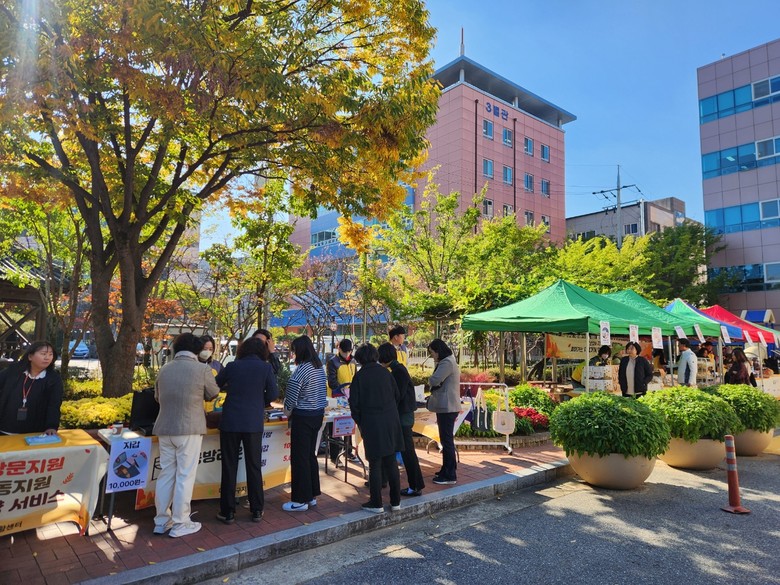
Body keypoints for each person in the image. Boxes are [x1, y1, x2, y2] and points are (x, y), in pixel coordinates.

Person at [153, 333, 220, 538]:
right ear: (197, 349)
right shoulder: (202, 369)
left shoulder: (164, 369)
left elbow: (157, 397)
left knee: (166, 474)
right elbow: (213, 392)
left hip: (165, 427)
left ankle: (161, 521)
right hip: (189, 428)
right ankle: (181, 522)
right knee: (185, 475)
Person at [215, 337, 278, 524]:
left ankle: (227, 512)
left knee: (229, 466)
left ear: (242, 350)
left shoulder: (232, 366)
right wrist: (259, 401)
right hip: (253, 423)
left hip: (230, 421)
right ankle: (257, 509)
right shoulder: (265, 368)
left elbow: (216, 384)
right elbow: (273, 394)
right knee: (254, 465)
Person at [349, 343, 404, 513]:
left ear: (360, 359)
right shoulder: (386, 373)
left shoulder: (359, 377)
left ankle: (376, 502)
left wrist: (361, 422)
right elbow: (397, 396)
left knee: (375, 463)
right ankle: (396, 502)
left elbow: (354, 405)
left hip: (371, 423)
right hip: (391, 421)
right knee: (391, 461)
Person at [282, 335, 327, 512]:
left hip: (303, 417)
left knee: (300, 458)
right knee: (309, 456)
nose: (293, 354)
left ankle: (300, 500)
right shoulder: (319, 367)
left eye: (294, 350)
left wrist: (286, 410)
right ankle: (311, 495)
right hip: (317, 415)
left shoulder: (301, 370)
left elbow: (291, 397)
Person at [378, 342, 425, 497]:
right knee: (395, 449)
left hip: (403, 417)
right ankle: (383, 479)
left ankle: (415, 485)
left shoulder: (398, 371)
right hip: (401, 416)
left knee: (407, 452)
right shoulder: (397, 369)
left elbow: (397, 395)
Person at [0, 341, 63, 435]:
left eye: (50, 354)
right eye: (43, 354)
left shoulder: (53, 378)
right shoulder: (13, 371)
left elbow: (54, 404)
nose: (47, 357)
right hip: (4, 429)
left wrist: (51, 426)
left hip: (34, 433)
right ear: (30, 356)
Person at [426, 339, 461, 485]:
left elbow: (435, 380)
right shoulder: (448, 360)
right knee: (446, 440)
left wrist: (429, 379)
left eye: (432, 353)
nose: (432, 356)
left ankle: (450, 475)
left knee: (446, 441)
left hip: (447, 407)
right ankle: (446, 469)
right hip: (447, 406)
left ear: (438, 351)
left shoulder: (446, 362)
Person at [325, 338, 357, 464]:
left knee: (349, 424)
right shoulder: (333, 362)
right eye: (345, 352)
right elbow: (332, 382)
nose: (347, 354)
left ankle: (348, 451)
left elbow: (356, 378)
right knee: (335, 427)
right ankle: (334, 456)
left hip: (350, 398)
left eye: (349, 352)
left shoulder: (353, 361)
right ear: (339, 349)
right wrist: (343, 389)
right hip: (335, 399)